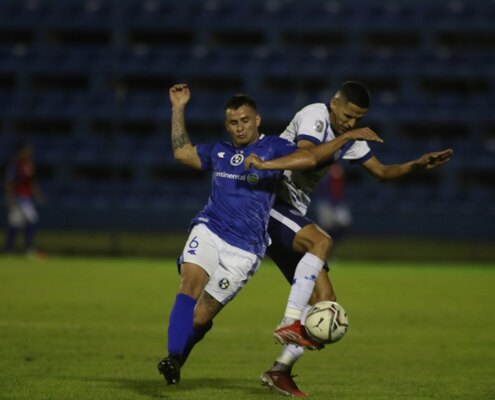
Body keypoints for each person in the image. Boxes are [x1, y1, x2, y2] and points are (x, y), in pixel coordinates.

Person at [157, 83, 381, 385]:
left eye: (245, 121)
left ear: (258, 120)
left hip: (245, 250)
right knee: (189, 283)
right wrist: (178, 108)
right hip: (209, 229)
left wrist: (267, 164)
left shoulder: (273, 146)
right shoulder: (218, 152)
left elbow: (310, 158)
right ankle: (172, 357)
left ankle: (180, 360)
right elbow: (182, 153)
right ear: (227, 125)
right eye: (234, 123)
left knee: (201, 317)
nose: (239, 128)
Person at [258, 81, 453, 397]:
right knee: (321, 241)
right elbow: (308, 155)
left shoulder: (349, 137)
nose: (351, 123)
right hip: (268, 203)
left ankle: (279, 371)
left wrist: (417, 165)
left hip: (292, 214)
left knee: (326, 305)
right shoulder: (315, 116)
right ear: (334, 102)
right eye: (348, 115)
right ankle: (289, 321)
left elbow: (382, 173)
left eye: (357, 119)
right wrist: (347, 137)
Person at [4, 141, 45, 256]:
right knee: (25, 221)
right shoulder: (15, 165)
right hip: (18, 197)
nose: (29, 153)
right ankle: (21, 249)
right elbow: (9, 183)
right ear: (21, 152)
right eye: (26, 151)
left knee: (16, 223)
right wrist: (10, 197)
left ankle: (14, 249)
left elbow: (32, 183)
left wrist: (38, 194)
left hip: (26, 198)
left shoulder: (29, 165)